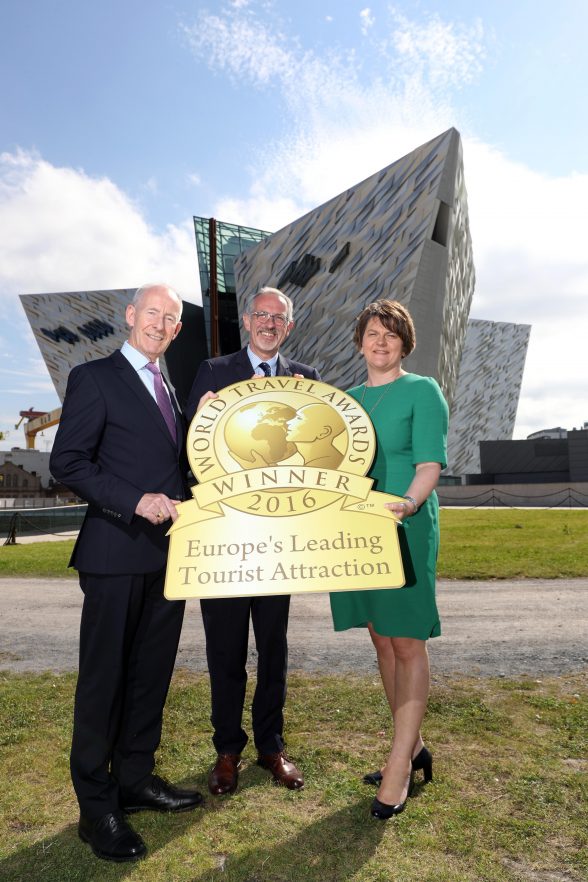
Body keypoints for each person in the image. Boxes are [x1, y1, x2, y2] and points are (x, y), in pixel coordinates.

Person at [50, 284, 203, 863]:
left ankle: (135, 779)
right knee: (104, 683)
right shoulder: (95, 377)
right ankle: (97, 809)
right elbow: (68, 461)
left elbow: (178, 468)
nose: (162, 325)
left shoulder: (174, 389)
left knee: (150, 675)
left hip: (170, 558)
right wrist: (133, 500)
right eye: (154, 314)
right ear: (130, 316)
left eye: (171, 319)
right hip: (114, 554)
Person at [185, 286, 321, 796]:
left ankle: (271, 745)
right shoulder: (214, 372)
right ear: (246, 320)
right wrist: (199, 420)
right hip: (226, 537)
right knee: (224, 649)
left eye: (278, 317)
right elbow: (190, 450)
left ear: (289, 326)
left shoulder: (306, 379)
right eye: (261, 315)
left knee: (274, 647)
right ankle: (226, 749)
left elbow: (317, 461)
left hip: (278, 542)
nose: (269, 323)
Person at [329, 299, 448, 820]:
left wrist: (410, 502)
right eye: (373, 333)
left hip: (405, 523)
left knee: (407, 641)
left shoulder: (423, 391)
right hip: (357, 529)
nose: (381, 342)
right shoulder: (345, 401)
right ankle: (414, 745)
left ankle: (398, 765)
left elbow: (429, 464)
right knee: (381, 637)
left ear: (405, 343)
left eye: (391, 335)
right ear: (360, 341)